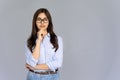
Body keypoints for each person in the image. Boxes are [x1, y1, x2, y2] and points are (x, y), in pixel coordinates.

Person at [25, 8, 63, 80]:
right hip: (33, 77)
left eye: (45, 19)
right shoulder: (29, 41)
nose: (42, 23)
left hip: (52, 77)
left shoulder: (57, 40)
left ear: (49, 22)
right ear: (35, 22)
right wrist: (39, 40)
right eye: (39, 19)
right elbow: (31, 62)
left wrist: (35, 67)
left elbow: (58, 63)